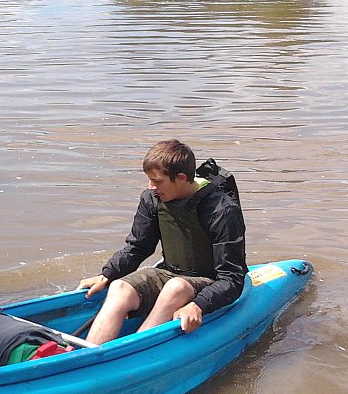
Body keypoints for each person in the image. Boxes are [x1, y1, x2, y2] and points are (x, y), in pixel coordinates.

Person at [78, 140, 246, 343]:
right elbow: (138, 247)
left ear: (181, 178)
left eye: (157, 181)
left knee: (176, 287)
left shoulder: (222, 209)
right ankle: (90, 352)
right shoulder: (152, 199)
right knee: (119, 287)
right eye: (149, 180)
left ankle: (137, 350)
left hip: (211, 281)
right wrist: (107, 274)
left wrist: (199, 305)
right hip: (171, 273)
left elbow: (232, 278)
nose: (151, 187)